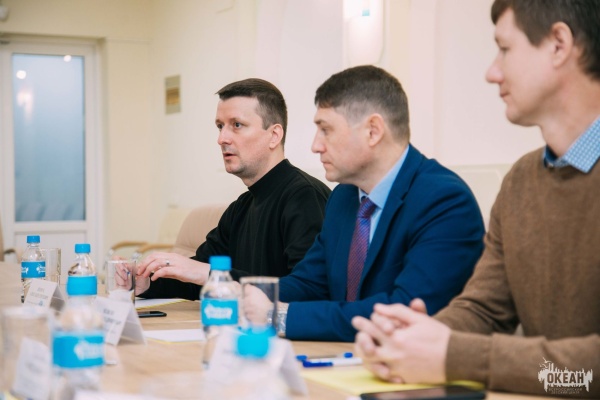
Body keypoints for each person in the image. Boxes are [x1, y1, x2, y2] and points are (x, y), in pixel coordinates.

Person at [352, 0, 600, 397]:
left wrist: (456, 356)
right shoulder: (521, 182)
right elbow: (484, 309)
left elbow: (590, 377)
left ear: (558, 44)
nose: (491, 72)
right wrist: (411, 339)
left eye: (504, 49)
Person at [243, 65, 485, 342]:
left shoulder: (444, 201)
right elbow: (311, 281)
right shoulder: (343, 196)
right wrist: (250, 296)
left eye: (326, 130)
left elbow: (403, 313)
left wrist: (279, 317)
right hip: (346, 357)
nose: (315, 145)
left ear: (373, 131)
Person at [136, 78, 331, 300]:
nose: (222, 139)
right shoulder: (241, 206)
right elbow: (197, 279)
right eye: (220, 126)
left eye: (237, 125)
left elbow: (308, 291)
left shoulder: (304, 196)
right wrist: (145, 283)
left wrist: (208, 273)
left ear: (274, 136)